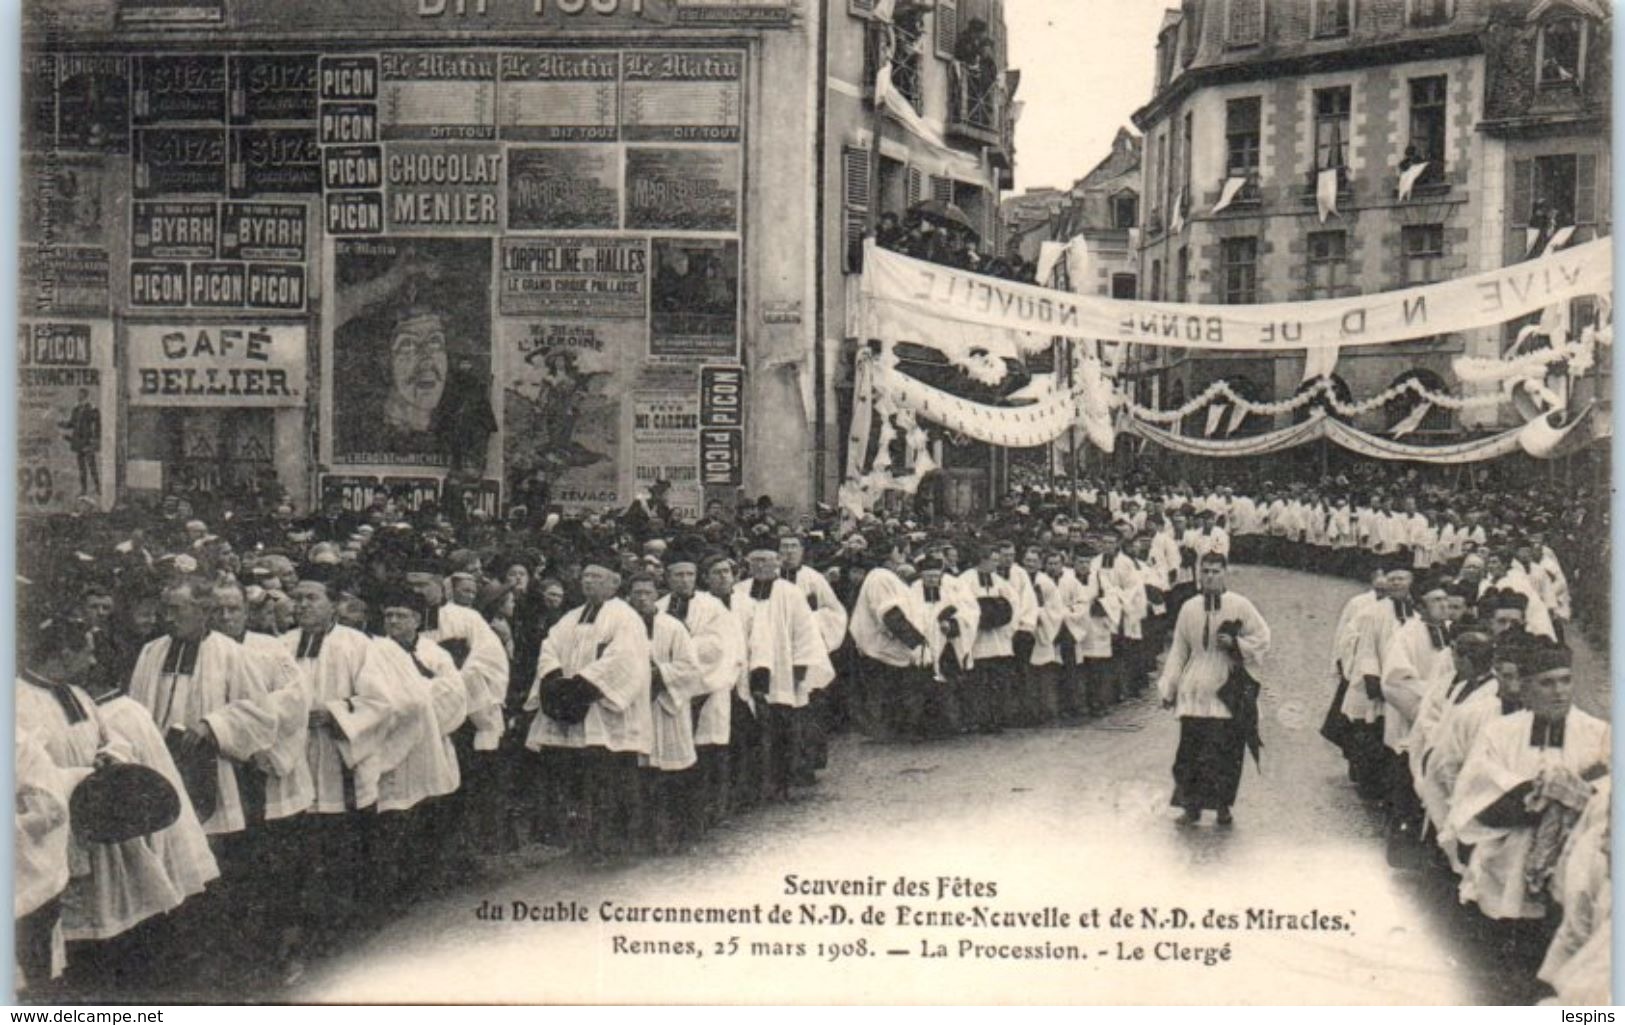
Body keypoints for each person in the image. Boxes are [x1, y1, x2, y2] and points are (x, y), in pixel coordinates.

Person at [1449, 642, 1608, 962]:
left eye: (1565, 680)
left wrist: (1568, 792)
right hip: (1507, 870)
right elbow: (1479, 798)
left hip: (1572, 874)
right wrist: (1556, 792)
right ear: (1524, 687)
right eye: (1546, 682)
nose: (1559, 691)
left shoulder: (1599, 733)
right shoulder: (1500, 733)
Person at [523, 557, 652, 862]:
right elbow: (549, 646)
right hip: (575, 707)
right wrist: (554, 679)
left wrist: (582, 686)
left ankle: (616, 844)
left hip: (604, 711)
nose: (588, 581)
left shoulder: (625, 617)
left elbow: (624, 659)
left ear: (614, 582)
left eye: (596, 575)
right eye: (585, 576)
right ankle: (584, 841)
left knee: (612, 778)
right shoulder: (570, 616)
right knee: (582, 779)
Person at [1156, 553, 1271, 826]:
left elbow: (1263, 638)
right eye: (1205, 571)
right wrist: (1168, 686)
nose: (1209, 576)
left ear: (1225, 572)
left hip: (1226, 688)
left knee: (1226, 752)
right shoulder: (1188, 608)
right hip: (1195, 689)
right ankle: (1191, 807)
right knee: (1190, 752)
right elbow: (1179, 651)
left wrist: (1235, 643)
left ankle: (1223, 806)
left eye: (1215, 571)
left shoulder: (1240, 605)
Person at [732, 547, 835, 799]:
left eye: (766, 560)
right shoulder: (740, 591)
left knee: (784, 727)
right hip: (749, 669)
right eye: (754, 560)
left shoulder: (791, 593)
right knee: (755, 728)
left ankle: (783, 782)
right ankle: (756, 783)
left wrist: (799, 669)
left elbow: (805, 632)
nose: (760, 565)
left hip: (785, 669)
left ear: (777, 562)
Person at [658, 553, 744, 829]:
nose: (684, 581)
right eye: (678, 575)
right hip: (670, 690)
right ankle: (681, 814)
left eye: (689, 575)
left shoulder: (713, 607)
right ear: (667, 578)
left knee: (710, 750)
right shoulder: (659, 607)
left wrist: (681, 653)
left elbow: (716, 647)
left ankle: (714, 810)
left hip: (708, 687)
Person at [627, 572, 703, 853]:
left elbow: (690, 667)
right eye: (636, 593)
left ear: (656, 595)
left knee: (674, 772)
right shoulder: (622, 627)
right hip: (636, 708)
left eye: (647, 593)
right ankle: (647, 837)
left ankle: (682, 834)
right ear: (628, 596)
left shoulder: (672, 627)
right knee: (643, 775)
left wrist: (660, 674)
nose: (642, 598)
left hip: (666, 707)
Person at [60, 387, 100, 499]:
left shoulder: (92, 408)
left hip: (87, 441)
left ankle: (98, 487)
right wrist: (61, 423)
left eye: (81, 394)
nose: (78, 396)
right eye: (78, 394)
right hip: (78, 442)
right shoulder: (76, 409)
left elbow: (97, 425)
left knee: (92, 466)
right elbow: (71, 424)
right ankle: (84, 490)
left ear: (85, 395)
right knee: (81, 467)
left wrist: (95, 440)